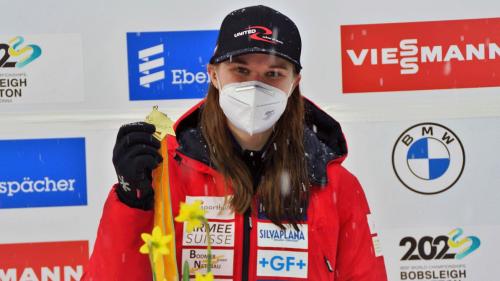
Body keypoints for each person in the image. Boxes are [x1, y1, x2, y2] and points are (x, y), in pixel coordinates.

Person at [83, 5, 388, 281]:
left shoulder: (334, 184)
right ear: (214, 74)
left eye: (273, 73)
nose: (255, 86)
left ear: (294, 83)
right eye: (240, 70)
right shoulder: (167, 173)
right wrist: (131, 199)